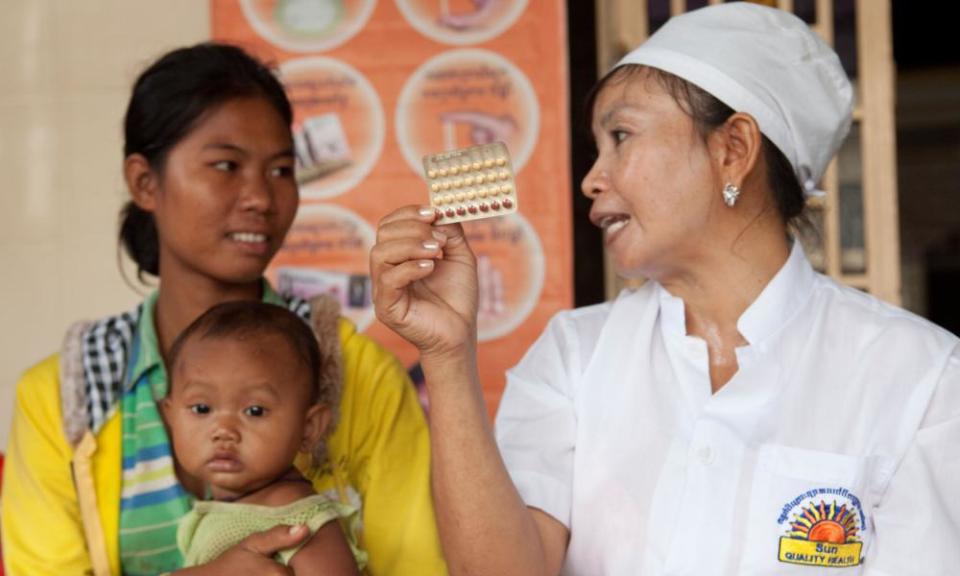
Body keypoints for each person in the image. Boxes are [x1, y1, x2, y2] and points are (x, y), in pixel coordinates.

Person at [370, 4, 960, 575]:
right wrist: (446, 354)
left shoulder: (919, 375)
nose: (591, 179)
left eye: (621, 136)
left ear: (733, 150)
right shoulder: (575, 355)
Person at [2, 43, 445, 575]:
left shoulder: (359, 376)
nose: (260, 196)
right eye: (226, 165)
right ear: (145, 182)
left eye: (282, 170)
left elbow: (419, 567)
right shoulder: (64, 397)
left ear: (313, 422)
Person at [163, 301, 362, 574]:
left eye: (255, 411)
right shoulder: (218, 511)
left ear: (309, 428)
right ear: (170, 416)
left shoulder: (298, 519)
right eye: (202, 409)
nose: (224, 431)